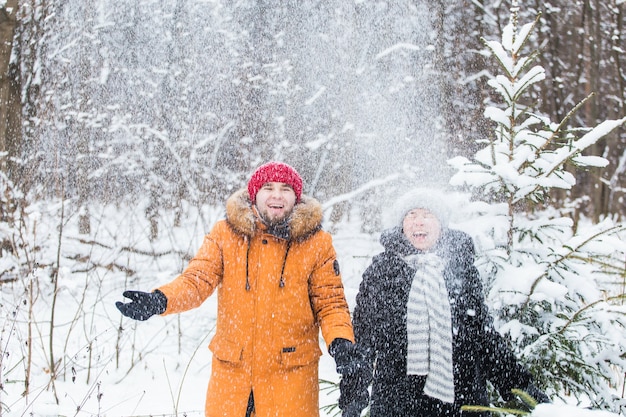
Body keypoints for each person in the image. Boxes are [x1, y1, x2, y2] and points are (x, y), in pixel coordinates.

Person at [116, 161, 358, 417]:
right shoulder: (225, 235)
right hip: (233, 380)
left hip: (290, 380)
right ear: (254, 194)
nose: (277, 195)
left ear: (296, 198)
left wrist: (341, 342)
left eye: (285, 189)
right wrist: (160, 300)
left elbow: (330, 303)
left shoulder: (317, 244)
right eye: (268, 187)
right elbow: (197, 280)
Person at [339, 188, 548, 417]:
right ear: (402, 225)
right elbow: (363, 339)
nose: (419, 222)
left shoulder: (461, 269)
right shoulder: (382, 270)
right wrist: (353, 400)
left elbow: (483, 336)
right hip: (397, 400)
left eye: (427, 215)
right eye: (411, 215)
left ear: (441, 224)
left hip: (462, 400)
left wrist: (520, 387)